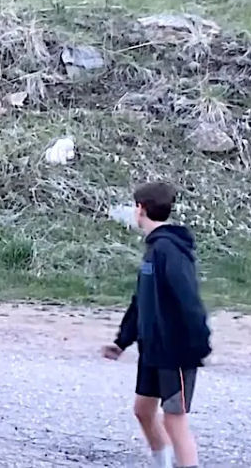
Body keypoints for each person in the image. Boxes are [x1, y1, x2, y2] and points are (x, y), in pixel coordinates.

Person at [102, 182, 211, 468]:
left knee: (174, 419)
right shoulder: (153, 249)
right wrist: (122, 341)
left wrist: (198, 344)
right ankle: (162, 463)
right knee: (143, 411)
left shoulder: (170, 249)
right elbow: (141, 301)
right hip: (152, 348)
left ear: (141, 209)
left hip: (175, 350)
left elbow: (189, 299)